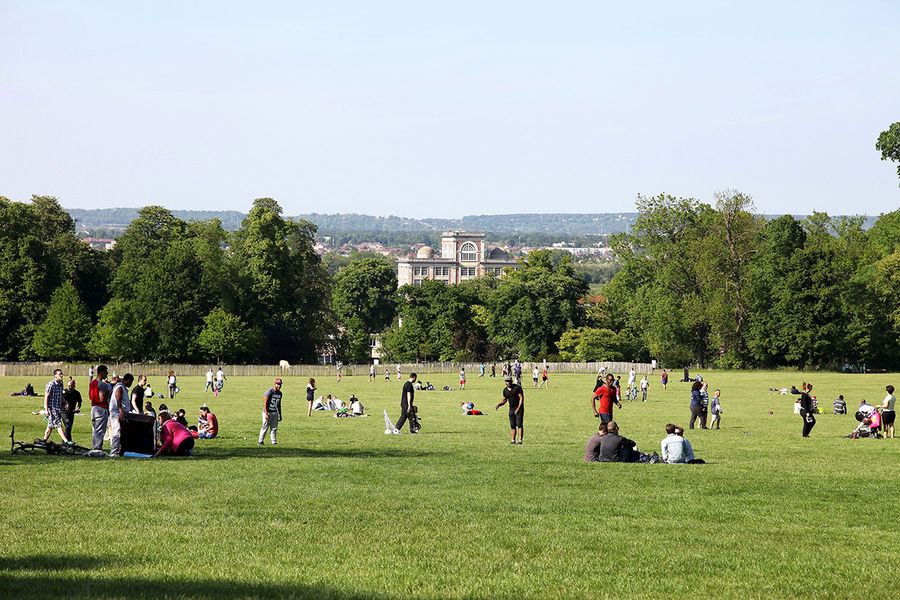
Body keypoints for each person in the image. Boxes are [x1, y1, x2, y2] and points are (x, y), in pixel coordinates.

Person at [108, 373, 134, 457]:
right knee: (117, 432)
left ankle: (119, 450)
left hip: (120, 412)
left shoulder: (122, 387)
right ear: (127, 380)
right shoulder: (120, 387)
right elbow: (118, 398)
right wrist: (120, 410)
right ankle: (114, 452)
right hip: (117, 413)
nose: (131, 384)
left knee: (121, 432)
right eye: (131, 382)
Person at [43, 369, 72, 444]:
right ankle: (66, 441)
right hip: (52, 407)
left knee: (50, 426)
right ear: (55, 376)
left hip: (58, 407)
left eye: (62, 374)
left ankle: (44, 441)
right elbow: (46, 397)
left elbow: (60, 395)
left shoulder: (61, 384)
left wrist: (65, 402)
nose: (61, 375)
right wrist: (46, 409)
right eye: (59, 374)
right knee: (59, 424)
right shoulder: (51, 384)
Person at [495, 376, 524, 444]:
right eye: (507, 381)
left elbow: (521, 398)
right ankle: (513, 440)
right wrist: (499, 404)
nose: (508, 382)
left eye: (509, 381)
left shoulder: (517, 388)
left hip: (519, 408)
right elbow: (504, 400)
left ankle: (520, 440)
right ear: (505, 382)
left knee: (519, 424)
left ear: (511, 381)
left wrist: (518, 408)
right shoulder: (505, 390)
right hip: (511, 408)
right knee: (512, 425)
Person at [89, 364, 111, 451]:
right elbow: (102, 399)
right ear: (101, 372)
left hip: (94, 408)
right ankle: (97, 448)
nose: (107, 374)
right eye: (106, 372)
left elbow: (90, 396)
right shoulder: (102, 385)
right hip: (101, 409)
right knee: (100, 430)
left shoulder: (92, 383)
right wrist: (108, 394)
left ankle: (95, 446)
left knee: (95, 429)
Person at [258, 378, 283, 446]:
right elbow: (265, 403)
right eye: (277, 384)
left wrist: (280, 415)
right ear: (274, 384)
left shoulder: (280, 393)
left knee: (274, 428)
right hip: (268, 412)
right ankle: (260, 441)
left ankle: (274, 442)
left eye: (280, 384)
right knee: (265, 427)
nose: (279, 386)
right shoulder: (269, 392)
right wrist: (266, 414)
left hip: (274, 412)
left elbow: (279, 404)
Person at [61, 378, 82, 443]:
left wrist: (77, 408)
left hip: (71, 412)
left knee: (69, 427)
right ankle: (66, 441)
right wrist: (66, 403)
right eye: (68, 385)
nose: (69, 387)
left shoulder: (77, 393)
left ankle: (67, 441)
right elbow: (61, 400)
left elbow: (79, 403)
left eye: (70, 386)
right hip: (63, 411)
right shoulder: (64, 392)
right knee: (67, 424)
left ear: (74, 386)